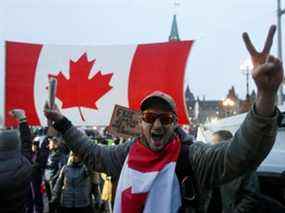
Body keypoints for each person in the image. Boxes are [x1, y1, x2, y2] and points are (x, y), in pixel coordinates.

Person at [44, 25, 284, 212]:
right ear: (141, 122)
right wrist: (62, 122)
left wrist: (266, 95)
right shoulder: (126, 153)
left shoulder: (192, 157)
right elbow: (93, 154)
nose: (158, 124)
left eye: (166, 119)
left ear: (175, 123)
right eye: (150, 117)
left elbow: (241, 155)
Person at [208, 130, 260, 213]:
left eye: (215, 145)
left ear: (227, 144)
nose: (212, 148)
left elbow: (251, 198)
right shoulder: (214, 164)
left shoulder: (245, 165)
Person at [0, 109, 33, 213]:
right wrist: (22, 120)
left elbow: (26, 144)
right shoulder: (24, 164)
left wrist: (22, 120)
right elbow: (27, 145)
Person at [44, 136, 67, 212]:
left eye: (50, 143)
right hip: (47, 180)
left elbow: (61, 169)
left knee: (55, 200)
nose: (48, 145)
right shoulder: (50, 153)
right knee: (50, 199)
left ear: (54, 144)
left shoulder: (60, 155)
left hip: (53, 181)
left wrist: (53, 178)